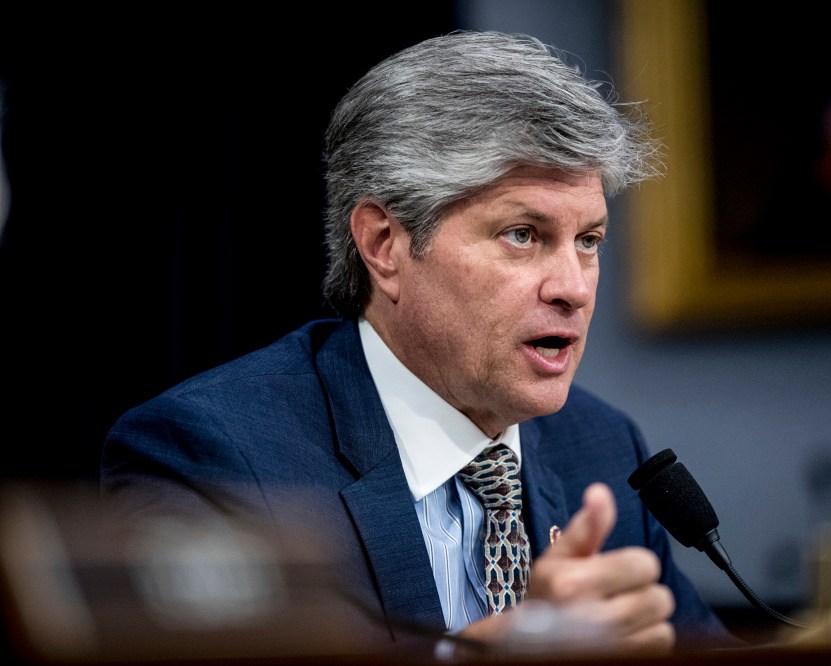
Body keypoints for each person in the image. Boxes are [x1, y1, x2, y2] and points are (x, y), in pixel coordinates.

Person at [100, 30, 737, 657]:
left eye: (589, 241)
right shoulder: (213, 458)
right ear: (384, 245)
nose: (573, 288)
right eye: (522, 234)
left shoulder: (599, 447)